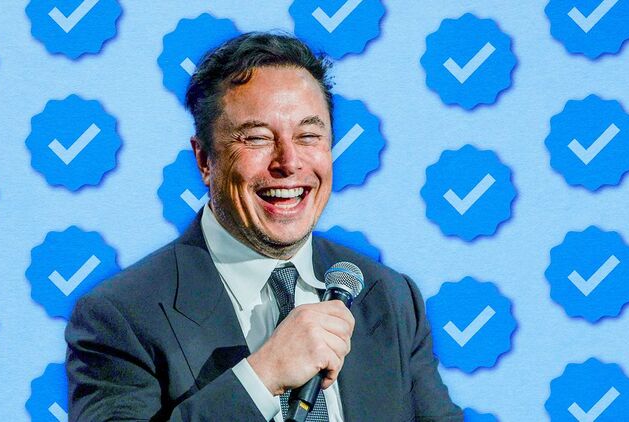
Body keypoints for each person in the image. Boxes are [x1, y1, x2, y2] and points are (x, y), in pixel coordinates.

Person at [65, 32, 463, 421]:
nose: (288, 162)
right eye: (257, 138)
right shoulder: (121, 316)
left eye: (308, 135)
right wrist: (261, 377)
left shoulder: (390, 297)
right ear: (204, 160)